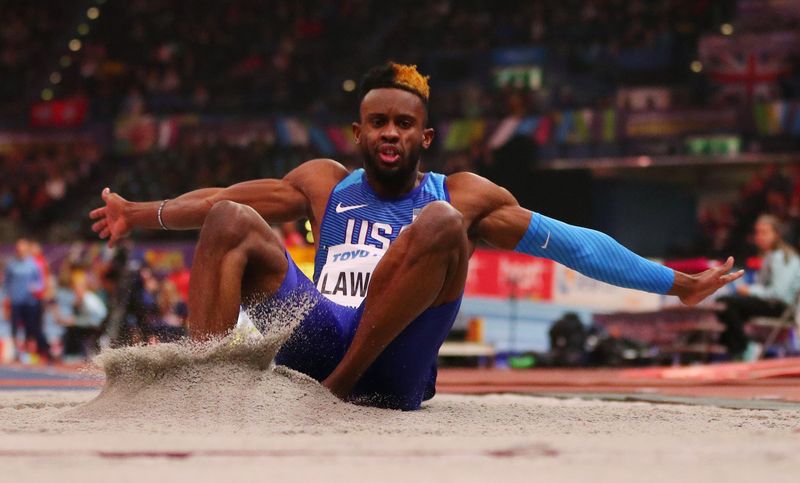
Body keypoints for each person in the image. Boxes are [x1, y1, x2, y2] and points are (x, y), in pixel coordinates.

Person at [90, 62, 743, 410]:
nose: (390, 133)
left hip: (393, 365)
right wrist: (137, 213)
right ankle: (205, 389)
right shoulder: (325, 182)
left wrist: (677, 282)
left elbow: (571, 242)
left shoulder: (459, 195)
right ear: (358, 133)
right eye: (377, 122)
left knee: (439, 225)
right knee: (232, 219)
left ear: (424, 136)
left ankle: (337, 393)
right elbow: (219, 200)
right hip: (320, 334)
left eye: (404, 123)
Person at [717, 214, 800, 358]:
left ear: (777, 234)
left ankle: (745, 348)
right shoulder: (770, 256)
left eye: (764, 232)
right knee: (728, 307)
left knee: (726, 303)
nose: (759, 237)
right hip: (771, 304)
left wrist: (749, 290)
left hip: (781, 307)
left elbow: (778, 294)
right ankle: (738, 349)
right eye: (757, 232)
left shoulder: (783, 257)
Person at [3, 238, 51, 362]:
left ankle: (31, 352)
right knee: (14, 327)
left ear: (26, 250)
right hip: (16, 301)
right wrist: (8, 295)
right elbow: (7, 282)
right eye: (18, 249)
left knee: (31, 328)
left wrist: (36, 288)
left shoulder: (34, 264)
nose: (20, 251)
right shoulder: (12, 264)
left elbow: (41, 282)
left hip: (30, 302)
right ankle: (16, 352)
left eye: (23, 249)